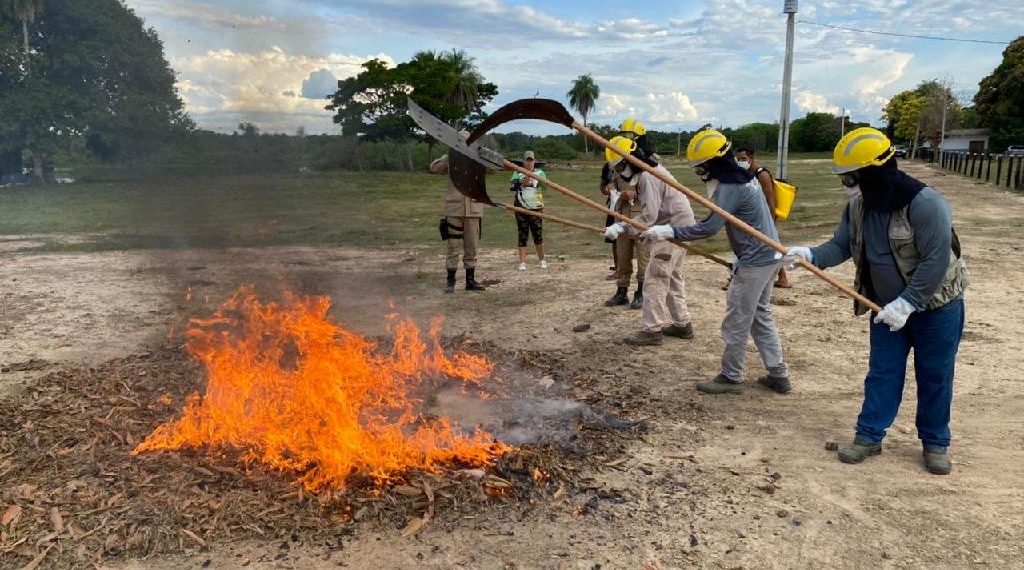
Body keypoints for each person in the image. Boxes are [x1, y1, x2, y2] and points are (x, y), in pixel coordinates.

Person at [784, 127, 968, 475]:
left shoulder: (926, 205)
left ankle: (935, 443)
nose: (847, 187)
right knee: (882, 372)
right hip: (884, 309)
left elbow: (935, 261)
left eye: (851, 178)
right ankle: (869, 435)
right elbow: (841, 245)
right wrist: (810, 255)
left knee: (936, 375)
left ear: (873, 173)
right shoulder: (858, 207)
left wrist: (907, 303)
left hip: (936, 309)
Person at [642, 129, 790, 395]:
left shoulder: (731, 187)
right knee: (760, 315)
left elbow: (709, 227)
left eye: (701, 169)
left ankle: (731, 376)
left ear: (714, 164)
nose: (701, 175)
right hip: (768, 256)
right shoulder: (744, 178)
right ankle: (778, 374)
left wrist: (669, 231)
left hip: (756, 261)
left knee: (738, 319)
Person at [604, 136, 694, 346]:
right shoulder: (650, 171)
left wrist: (621, 227)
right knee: (672, 277)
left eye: (621, 167)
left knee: (655, 277)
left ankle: (652, 330)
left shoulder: (648, 177)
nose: (620, 173)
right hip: (677, 226)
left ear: (631, 160)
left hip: (672, 229)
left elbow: (649, 217)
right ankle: (682, 324)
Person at [430, 149, 486, 293]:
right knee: (453, 246)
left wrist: (482, 155)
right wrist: (449, 157)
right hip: (454, 208)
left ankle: (470, 281)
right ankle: (450, 280)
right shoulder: (451, 157)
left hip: (473, 208)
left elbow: (494, 168)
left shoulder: (478, 157)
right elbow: (434, 168)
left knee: (472, 246)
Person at [734, 147, 791, 288]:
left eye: (743, 159)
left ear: (751, 158)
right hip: (753, 217)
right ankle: (781, 277)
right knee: (769, 247)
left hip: (765, 218)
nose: (740, 162)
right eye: (738, 159)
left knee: (770, 246)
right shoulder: (744, 174)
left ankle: (782, 278)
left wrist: (770, 221)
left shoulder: (762, 174)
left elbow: (771, 200)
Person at [601, 159, 649, 309]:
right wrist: (609, 187)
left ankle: (641, 292)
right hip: (621, 215)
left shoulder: (643, 171)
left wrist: (635, 194)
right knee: (622, 255)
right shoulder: (617, 170)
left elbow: (653, 193)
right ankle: (621, 291)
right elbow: (609, 188)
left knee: (643, 256)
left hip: (641, 216)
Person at [510, 150, 548, 271]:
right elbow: (512, 187)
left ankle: (542, 260)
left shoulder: (540, 173)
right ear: (523, 161)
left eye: (531, 160)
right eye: (527, 160)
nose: (529, 163)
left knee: (538, 235)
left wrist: (535, 182)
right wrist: (520, 183)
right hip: (520, 208)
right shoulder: (517, 172)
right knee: (522, 234)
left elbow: (545, 187)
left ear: (534, 161)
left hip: (536, 208)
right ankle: (522, 262)